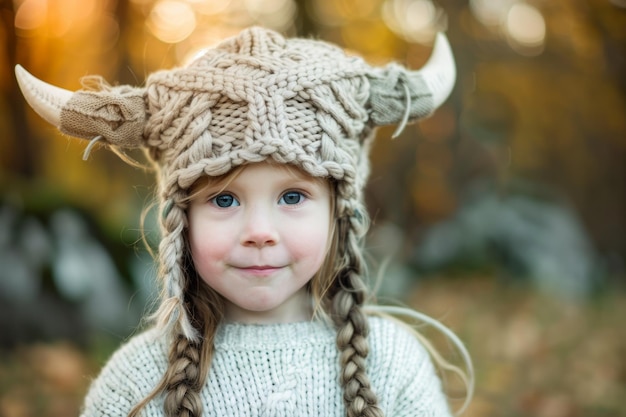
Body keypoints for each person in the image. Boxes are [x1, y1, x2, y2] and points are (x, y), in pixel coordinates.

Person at [15, 26, 472, 417]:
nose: (259, 232)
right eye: (224, 199)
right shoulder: (135, 384)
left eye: (292, 196)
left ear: (338, 210)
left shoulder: (392, 364)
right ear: (182, 218)